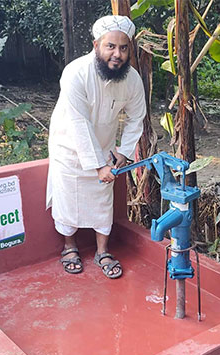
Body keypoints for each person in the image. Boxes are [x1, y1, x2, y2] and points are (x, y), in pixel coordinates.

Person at [46, 15, 146, 279]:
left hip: (105, 147)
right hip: (68, 146)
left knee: (103, 202)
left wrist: (122, 152)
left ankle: (103, 251)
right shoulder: (75, 73)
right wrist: (98, 165)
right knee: (68, 200)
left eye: (123, 48)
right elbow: (79, 123)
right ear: (96, 45)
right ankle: (69, 248)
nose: (117, 54)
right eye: (110, 46)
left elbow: (137, 118)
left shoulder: (133, 80)